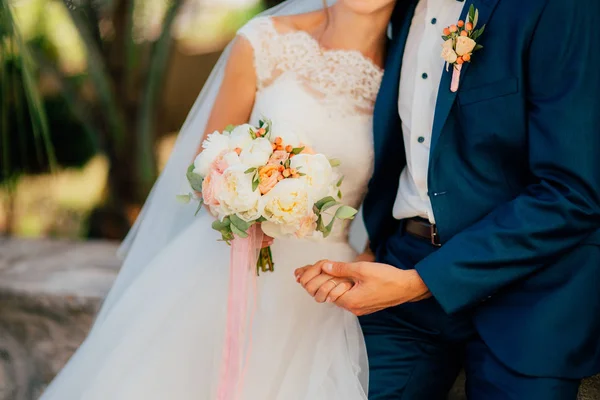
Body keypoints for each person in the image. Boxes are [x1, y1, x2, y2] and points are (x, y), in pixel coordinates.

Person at [39, 0, 396, 399]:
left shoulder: (408, 78)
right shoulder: (265, 41)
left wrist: (367, 256)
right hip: (221, 268)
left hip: (318, 287)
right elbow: (205, 164)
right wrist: (246, 199)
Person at [296, 0, 600, 398]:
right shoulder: (400, 11)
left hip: (531, 294)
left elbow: (572, 192)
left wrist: (425, 281)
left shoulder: (556, 9)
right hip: (402, 267)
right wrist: (374, 245)